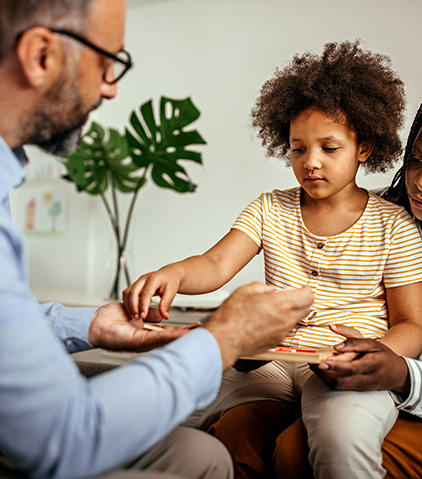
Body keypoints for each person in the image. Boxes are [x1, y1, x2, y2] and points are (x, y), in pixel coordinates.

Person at [0, 1, 315, 478]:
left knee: (198, 453)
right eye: (108, 63)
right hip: (49, 440)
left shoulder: (387, 223)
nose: (111, 87)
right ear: (40, 55)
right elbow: (62, 437)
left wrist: (88, 325)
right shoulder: (273, 207)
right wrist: (224, 337)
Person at [123, 42, 422, 479]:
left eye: (329, 148)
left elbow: (413, 325)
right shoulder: (270, 208)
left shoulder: (393, 225)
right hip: (270, 363)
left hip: (342, 368)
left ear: (363, 148)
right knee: (208, 426)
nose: (311, 163)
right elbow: (214, 265)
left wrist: (374, 356)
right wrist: (172, 273)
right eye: (298, 148)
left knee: (341, 444)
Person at [208, 70, 422, 479]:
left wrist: (402, 375)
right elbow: (219, 265)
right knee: (235, 435)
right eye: (416, 160)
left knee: (296, 453)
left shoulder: (395, 231)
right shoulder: (372, 212)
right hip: (330, 378)